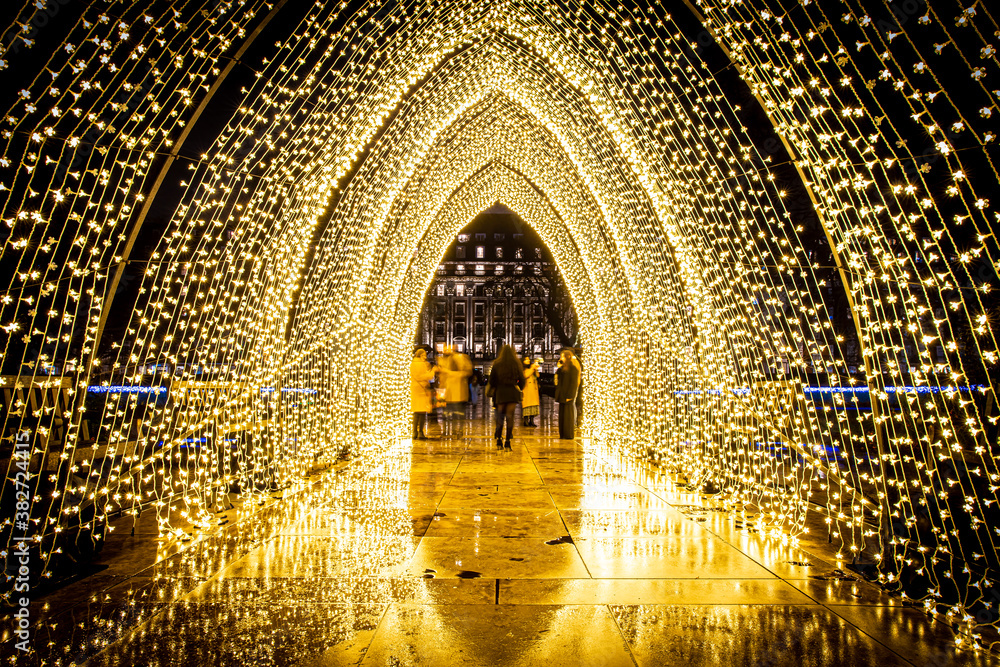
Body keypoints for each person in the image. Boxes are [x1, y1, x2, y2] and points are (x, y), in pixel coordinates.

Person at [487, 344, 525, 450]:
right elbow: (522, 379)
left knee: (500, 417)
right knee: (510, 417)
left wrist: (495, 387)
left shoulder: (497, 363)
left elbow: (492, 380)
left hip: (500, 392)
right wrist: (519, 387)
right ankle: (508, 442)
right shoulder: (516, 363)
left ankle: (499, 440)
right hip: (512, 392)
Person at [440, 346, 472, 438]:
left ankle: (458, 430)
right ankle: (450, 431)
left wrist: (449, 373)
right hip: (447, 391)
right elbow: (442, 377)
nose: (446, 351)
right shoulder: (444, 361)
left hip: (458, 391)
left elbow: (467, 372)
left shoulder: (461, 358)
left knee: (459, 413)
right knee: (447, 413)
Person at [410, 348, 436, 440]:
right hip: (422, 389)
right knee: (421, 412)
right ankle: (420, 432)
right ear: (421, 355)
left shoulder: (412, 363)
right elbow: (427, 376)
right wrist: (433, 370)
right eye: (424, 354)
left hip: (414, 388)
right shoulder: (422, 364)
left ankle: (414, 432)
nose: (426, 356)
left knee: (416, 412)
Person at [554, 348, 580, 440]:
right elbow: (557, 379)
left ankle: (568, 434)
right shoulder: (563, 369)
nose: (561, 359)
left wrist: (570, 396)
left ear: (567, 357)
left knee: (568, 416)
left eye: (562, 357)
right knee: (562, 416)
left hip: (568, 395)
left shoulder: (573, 369)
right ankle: (563, 434)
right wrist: (558, 367)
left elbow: (573, 384)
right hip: (562, 394)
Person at [521, 357, 541, 427]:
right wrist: (532, 368)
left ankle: (532, 421)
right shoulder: (523, 369)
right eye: (526, 359)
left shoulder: (532, 368)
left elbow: (537, 375)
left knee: (533, 406)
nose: (528, 360)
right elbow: (525, 375)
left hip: (534, 389)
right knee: (527, 406)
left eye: (528, 359)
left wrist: (536, 369)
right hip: (527, 390)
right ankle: (525, 421)